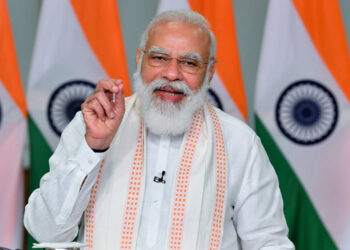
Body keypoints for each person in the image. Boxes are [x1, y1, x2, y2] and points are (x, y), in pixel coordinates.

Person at [24, 10, 295, 250]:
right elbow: (46, 232)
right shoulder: (93, 124)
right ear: (140, 59)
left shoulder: (239, 142)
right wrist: (93, 147)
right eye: (159, 58)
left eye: (189, 63)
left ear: (210, 72)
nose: (172, 74)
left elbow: (269, 243)